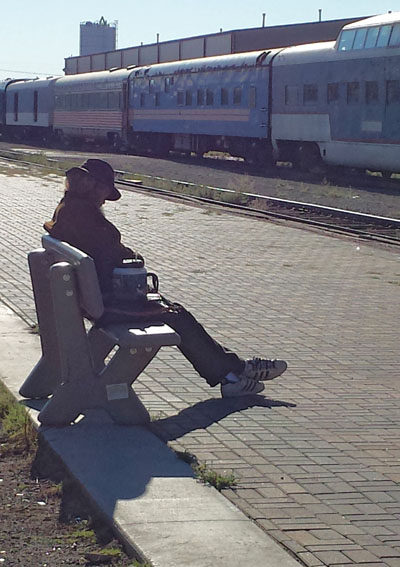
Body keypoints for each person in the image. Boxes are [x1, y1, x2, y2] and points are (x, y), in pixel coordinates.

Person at [44, 159, 287, 397]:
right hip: (105, 302)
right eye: (105, 192)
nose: (103, 199)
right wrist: (133, 258)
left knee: (173, 310)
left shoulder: (68, 207)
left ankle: (235, 372)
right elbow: (110, 252)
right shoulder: (83, 215)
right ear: (92, 186)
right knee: (176, 316)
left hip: (93, 296)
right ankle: (234, 374)